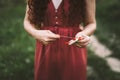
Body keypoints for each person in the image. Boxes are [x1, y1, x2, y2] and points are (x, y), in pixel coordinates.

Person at [23, 0, 96, 80]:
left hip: (73, 50)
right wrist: (36, 33)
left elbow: (91, 23)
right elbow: (28, 21)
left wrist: (84, 34)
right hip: (45, 50)